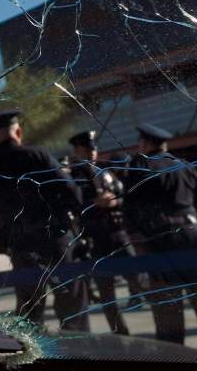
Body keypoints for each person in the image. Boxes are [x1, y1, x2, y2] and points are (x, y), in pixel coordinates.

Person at [0, 109, 89, 332]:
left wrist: (4, 242)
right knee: (71, 300)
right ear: (18, 131)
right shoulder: (39, 155)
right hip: (56, 240)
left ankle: (31, 355)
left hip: (21, 246)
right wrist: (73, 225)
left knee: (29, 308)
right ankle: (80, 350)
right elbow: (72, 192)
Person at [123, 123, 197, 356]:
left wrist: (139, 244)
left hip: (161, 242)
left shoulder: (140, 165)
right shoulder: (185, 165)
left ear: (145, 143)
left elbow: (129, 208)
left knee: (168, 311)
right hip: (194, 237)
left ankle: (173, 356)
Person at [66, 130, 146, 336]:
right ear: (77, 150)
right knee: (106, 290)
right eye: (87, 148)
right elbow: (73, 204)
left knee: (138, 278)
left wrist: (115, 201)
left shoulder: (104, 170)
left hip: (119, 234)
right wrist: (93, 202)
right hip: (96, 237)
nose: (93, 151)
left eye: (93, 147)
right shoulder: (74, 175)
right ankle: (120, 332)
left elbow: (123, 195)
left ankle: (139, 300)